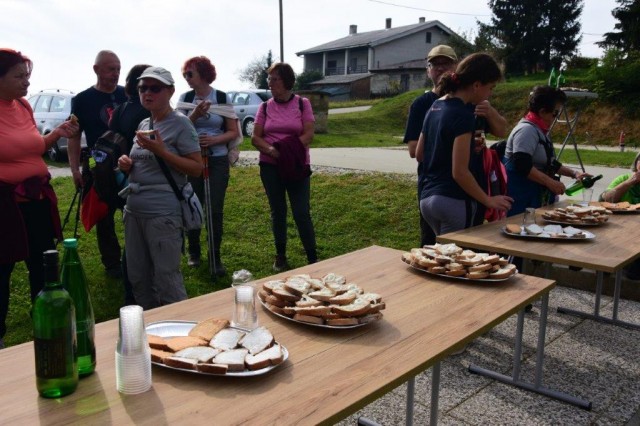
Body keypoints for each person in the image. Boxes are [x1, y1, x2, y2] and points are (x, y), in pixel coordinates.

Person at [0, 48, 79, 348]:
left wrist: (56, 134)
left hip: (36, 201)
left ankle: (48, 327)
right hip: (5, 205)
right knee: (2, 270)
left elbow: (32, 147)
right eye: (19, 76)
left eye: (27, 76)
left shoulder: (22, 106)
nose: (26, 83)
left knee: (44, 266)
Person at [117, 66, 202, 310]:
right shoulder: (145, 123)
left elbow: (196, 168)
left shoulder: (181, 124)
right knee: (138, 278)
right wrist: (127, 164)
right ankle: (152, 332)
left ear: (171, 91)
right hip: (134, 212)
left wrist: (162, 151)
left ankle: (179, 333)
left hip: (162, 214)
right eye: (142, 88)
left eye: (155, 88)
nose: (147, 93)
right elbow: (144, 163)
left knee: (166, 278)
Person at [416, 53, 513, 236]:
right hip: (454, 200)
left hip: (428, 199)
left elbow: (421, 154)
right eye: (490, 88)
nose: (490, 94)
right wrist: (488, 200)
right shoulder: (464, 115)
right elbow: (459, 172)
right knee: (458, 261)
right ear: (476, 85)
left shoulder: (435, 105)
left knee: (444, 258)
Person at [251, 62, 317, 272]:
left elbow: (308, 134)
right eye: (269, 79)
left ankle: (312, 257)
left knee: (301, 212)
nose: (270, 84)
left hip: (297, 165)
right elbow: (255, 138)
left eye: (274, 79)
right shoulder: (264, 107)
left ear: (286, 81)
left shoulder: (302, 104)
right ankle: (280, 256)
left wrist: (289, 151)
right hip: (270, 166)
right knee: (277, 211)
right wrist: (272, 151)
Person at [178, 56, 239, 275]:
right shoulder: (185, 99)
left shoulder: (221, 98)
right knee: (193, 205)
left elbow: (233, 130)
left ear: (203, 74)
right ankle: (194, 252)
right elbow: (178, 128)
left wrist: (214, 140)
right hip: (192, 159)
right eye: (185, 74)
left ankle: (215, 256)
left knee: (214, 208)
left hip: (217, 159)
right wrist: (194, 115)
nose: (186, 78)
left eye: (190, 74)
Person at [68, 50, 127, 279]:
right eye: (111, 69)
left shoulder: (127, 95)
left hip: (125, 163)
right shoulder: (82, 100)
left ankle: (135, 257)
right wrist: (74, 169)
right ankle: (112, 262)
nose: (116, 74)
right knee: (103, 213)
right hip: (97, 164)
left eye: (118, 69)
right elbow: (74, 136)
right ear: (97, 70)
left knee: (131, 211)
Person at [503, 85, 588, 216]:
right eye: (555, 113)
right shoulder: (527, 131)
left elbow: (550, 163)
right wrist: (550, 182)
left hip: (532, 197)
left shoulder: (538, 130)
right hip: (520, 199)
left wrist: (575, 174)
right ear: (542, 112)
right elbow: (522, 164)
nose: (556, 117)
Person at [403, 45, 457, 247]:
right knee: (431, 246)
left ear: (456, 66)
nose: (441, 68)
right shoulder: (421, 104)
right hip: (432, 186)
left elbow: (499, 130)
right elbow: (413, 150)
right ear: (428, 70)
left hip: (467, 188)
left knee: (464, 247)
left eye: (446, 63)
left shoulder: (469, 100)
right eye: (435, 65)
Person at [108, 63, 151, 306]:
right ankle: (139, 291)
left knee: (131, 236)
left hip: (120, 177)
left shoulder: (121, 109)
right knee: (141, 238)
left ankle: (130, 292)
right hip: (140, 178)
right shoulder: (145, 114)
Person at [600, 152, 640, 280]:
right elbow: (606, 199)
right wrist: (628, 184)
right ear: (636, 163)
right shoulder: (624, 178)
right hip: (620, 227)